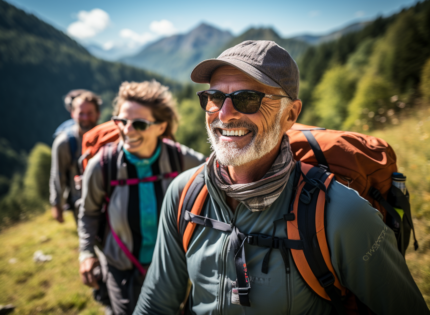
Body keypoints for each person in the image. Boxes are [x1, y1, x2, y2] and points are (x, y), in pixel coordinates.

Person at [133, 41, 430, 314]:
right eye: (214, 97)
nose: (223, 114)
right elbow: (156, 303)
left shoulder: (341, 213)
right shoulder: (185, 193)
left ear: (290, 115)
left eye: (247, 99)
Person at [78, 80, 206, 315]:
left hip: (171, 267)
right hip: (120, 268)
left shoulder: (183, 161)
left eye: (139, 124)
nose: (127, 130)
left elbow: (219, 178)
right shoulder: (102, 167)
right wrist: (86, 253)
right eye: (121, 121)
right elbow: (88, 213)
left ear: (161, 126)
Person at [50, 90, 101, 223]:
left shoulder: (107, 138)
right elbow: (58, 174)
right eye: (81, 113)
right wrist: (57, 204)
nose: (85, 118)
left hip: (107, 200)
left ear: (98, 114)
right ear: (73, 114)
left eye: (90, 113)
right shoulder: (64, 143)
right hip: (80, 203)